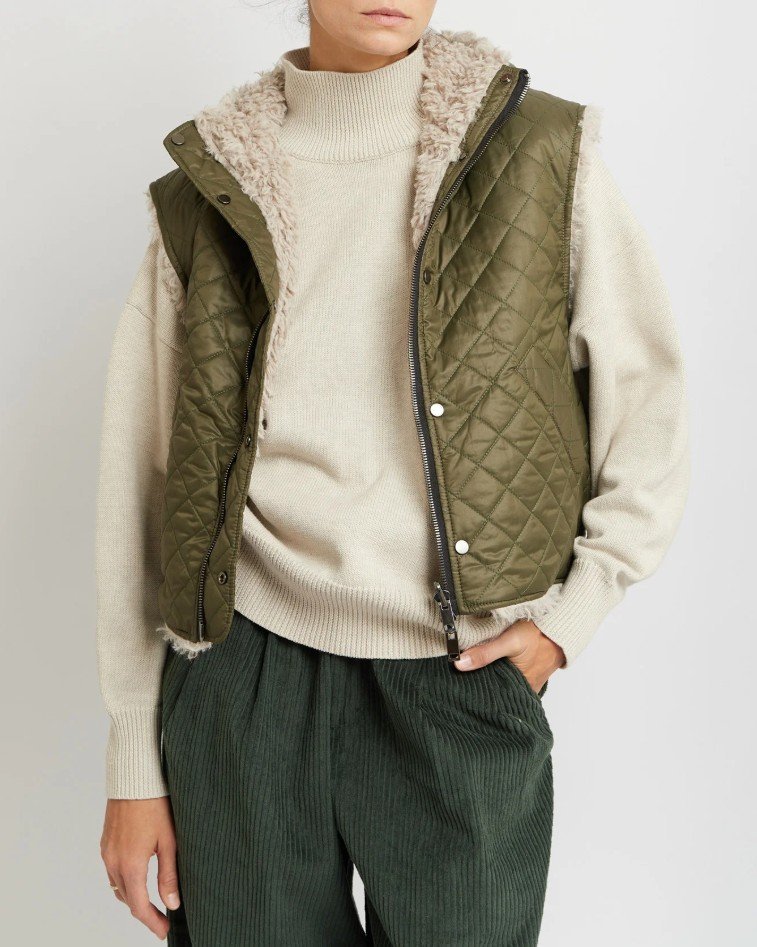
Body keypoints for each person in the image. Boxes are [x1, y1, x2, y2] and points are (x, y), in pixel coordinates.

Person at [96, 1, 690, 943]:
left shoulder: (537, 151)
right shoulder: (209, 187)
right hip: (246, 674)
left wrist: (570, 616)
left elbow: (646, 399)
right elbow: (141, 483)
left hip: (459, 674)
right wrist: (135, 758)